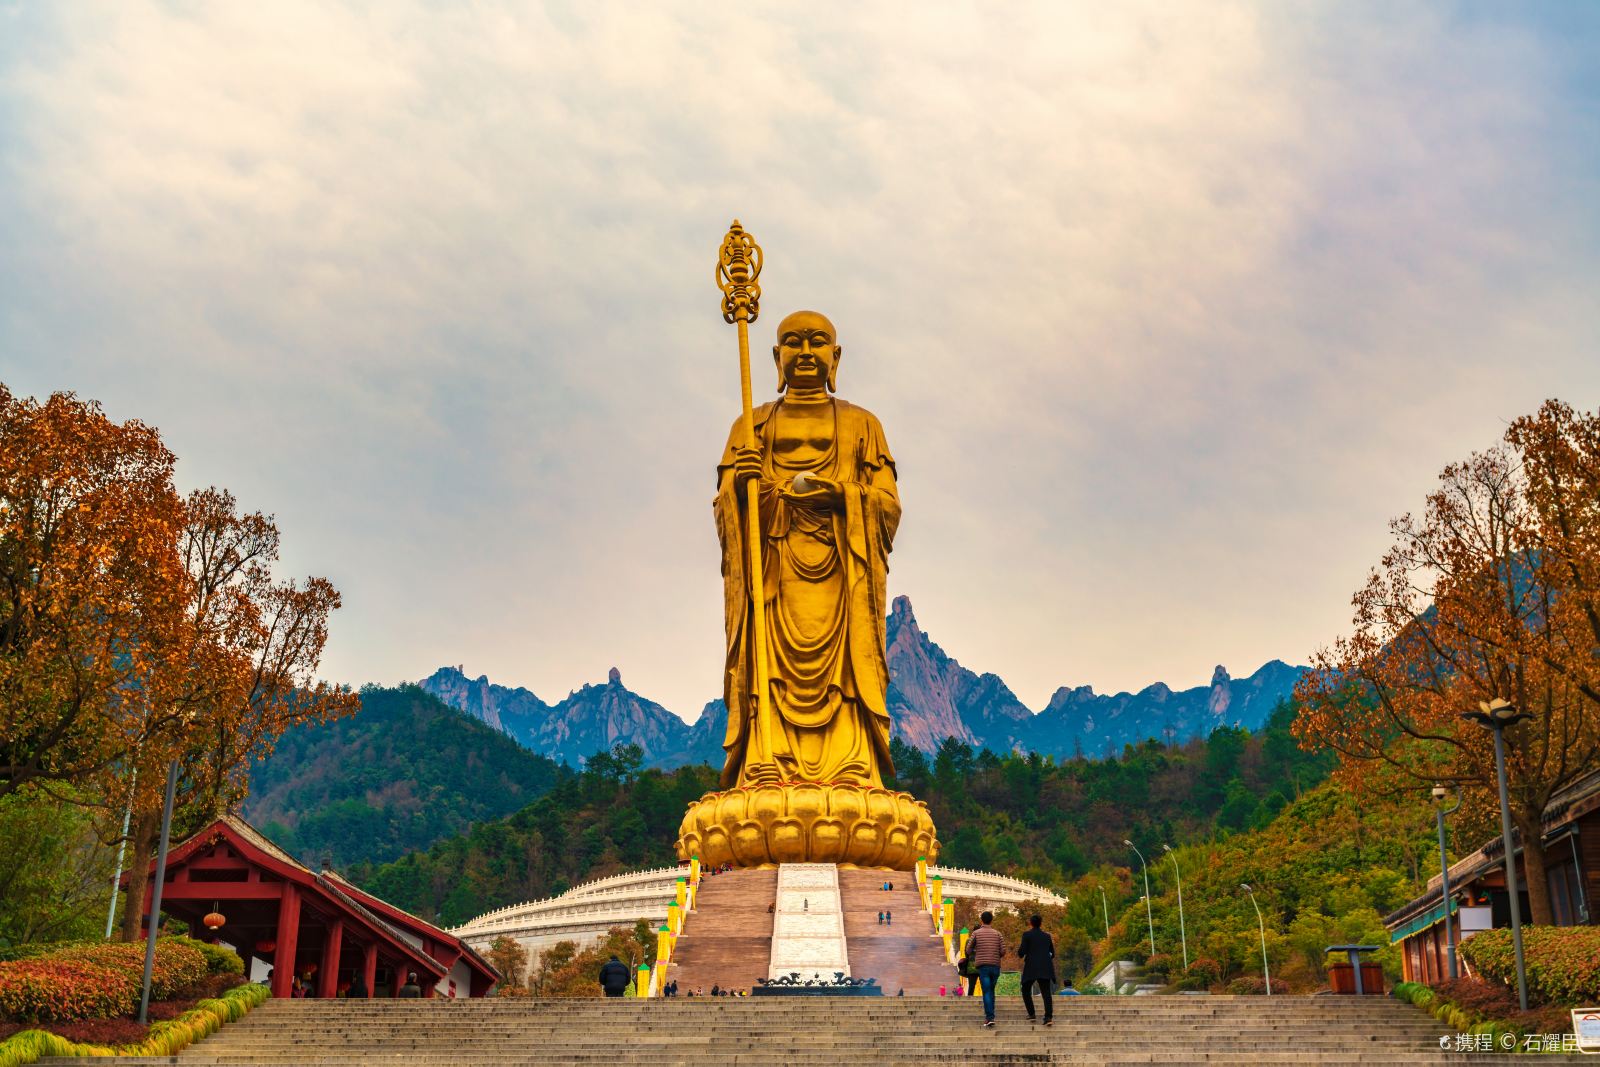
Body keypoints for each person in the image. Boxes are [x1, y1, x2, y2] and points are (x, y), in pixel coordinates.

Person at [716, 311, 901, 789]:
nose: (804, 353)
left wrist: (840, 495)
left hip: (843, 574)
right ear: (776, 357)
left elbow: (888, 506)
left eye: (817, 343)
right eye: (792, 343)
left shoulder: (863, 426)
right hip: (774, 577)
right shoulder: (749, 427)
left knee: (844, 675)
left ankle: (851, 766)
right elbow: (726, 512)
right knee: (767, 671)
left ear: (835, 357)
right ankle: (767, 761)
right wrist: (742, 485)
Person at [962, 911, 1005, 1028]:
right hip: (995, 966)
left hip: (983, 967)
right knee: (991, 990)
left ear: (982, 920)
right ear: (991, 920)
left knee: (986, 991)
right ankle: (991, 1015)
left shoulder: (976, 933)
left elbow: (968, 950)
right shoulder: (998, 934)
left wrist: (977, 953)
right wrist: (995, 956)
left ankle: (989, 1017)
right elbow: (1003, 951)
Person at [1017, 913, 1056, 1027]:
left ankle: (1032, 1013)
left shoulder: (1027, 935)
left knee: (1025, 989)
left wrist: (1021, 953)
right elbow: (1052, 953)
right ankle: (1048, 1017)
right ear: (1041, 923)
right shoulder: (1047, 936)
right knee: (1046, 992)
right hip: (1045, 966)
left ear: (1031, 923)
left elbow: (1021, 952)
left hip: (1031, 967)